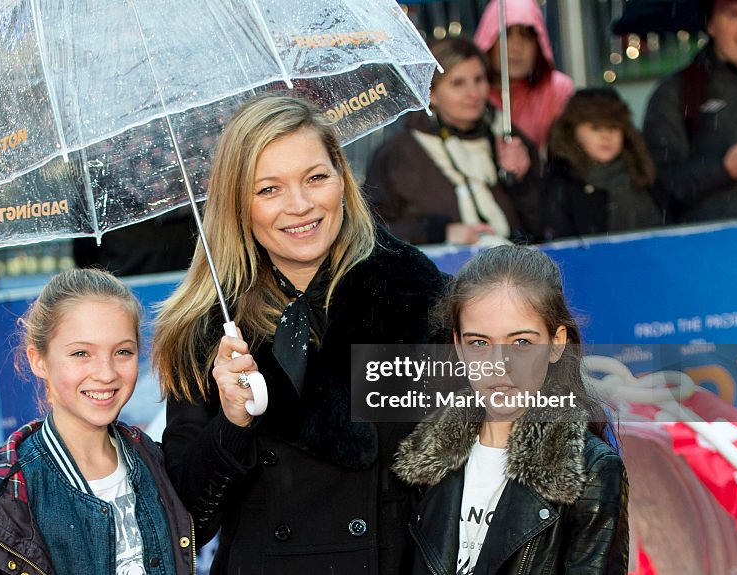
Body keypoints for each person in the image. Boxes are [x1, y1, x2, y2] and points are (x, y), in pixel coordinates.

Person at [153, 93, 446, 573]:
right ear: (237, 204)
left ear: (341, 179)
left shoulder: (412, 292)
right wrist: (232, 421)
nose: (300, 205)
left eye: (315, 178)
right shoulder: (204, 328)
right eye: (269, 189)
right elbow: (188, 521)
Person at [0, 268, 194, 575]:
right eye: (81, 353)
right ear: (39, 360)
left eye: (123, 352)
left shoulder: (151, 459)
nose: (106, 373)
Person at [392, 245, 628, 574]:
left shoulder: (592, 471)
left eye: (520, 343)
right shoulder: (420, 455)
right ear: (459, 345)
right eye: (479, 343)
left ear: (556, 343)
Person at [364, 37, 542, 246]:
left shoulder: (508, 139)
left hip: (511, 267)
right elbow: (373, 230)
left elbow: (546, 222)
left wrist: (522, 182)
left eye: (479, 79)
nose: (473, 94)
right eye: (458, 83)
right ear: (431, 94)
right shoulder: (397, 154)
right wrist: (440, 233)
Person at [643, 0, 737, 223]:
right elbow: (658, 184)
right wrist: (723, 169)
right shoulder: (677, 92)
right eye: (733, 14)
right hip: (710, 249)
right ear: (711, 25)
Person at [544, 88, 663, 240]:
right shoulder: (562, 183)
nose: (606, 136)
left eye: (613, 127)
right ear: (573, 131)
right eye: (596, 127)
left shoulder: (643, 173)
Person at [474, 0, 576, 152]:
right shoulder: (470, 91)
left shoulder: (557, 89)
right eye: (506, 35)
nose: (516, 47)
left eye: (527, 36)